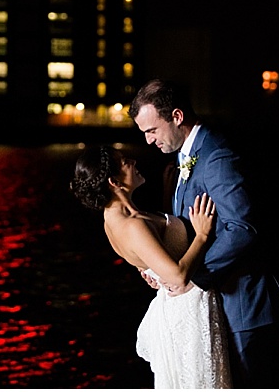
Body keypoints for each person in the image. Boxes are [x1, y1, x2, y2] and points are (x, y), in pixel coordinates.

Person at [129, 78, 279, 388]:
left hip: (241, 306)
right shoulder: (185, 155)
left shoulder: (216, 155)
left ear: (177, 117)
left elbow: (242, 227)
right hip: (216, 305)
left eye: (152, 130)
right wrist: (160, 268)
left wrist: (193, 276)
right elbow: (187, 228)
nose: (149, 141)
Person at [70, 144, 232, 389]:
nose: (133, 161)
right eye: (125, 161)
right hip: (188, 309)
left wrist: (168, 195)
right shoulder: (132, 225)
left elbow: (154, 250)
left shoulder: (113, 219)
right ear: (114, 181)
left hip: (178, 307)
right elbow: (178, 277)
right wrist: (202, 235)